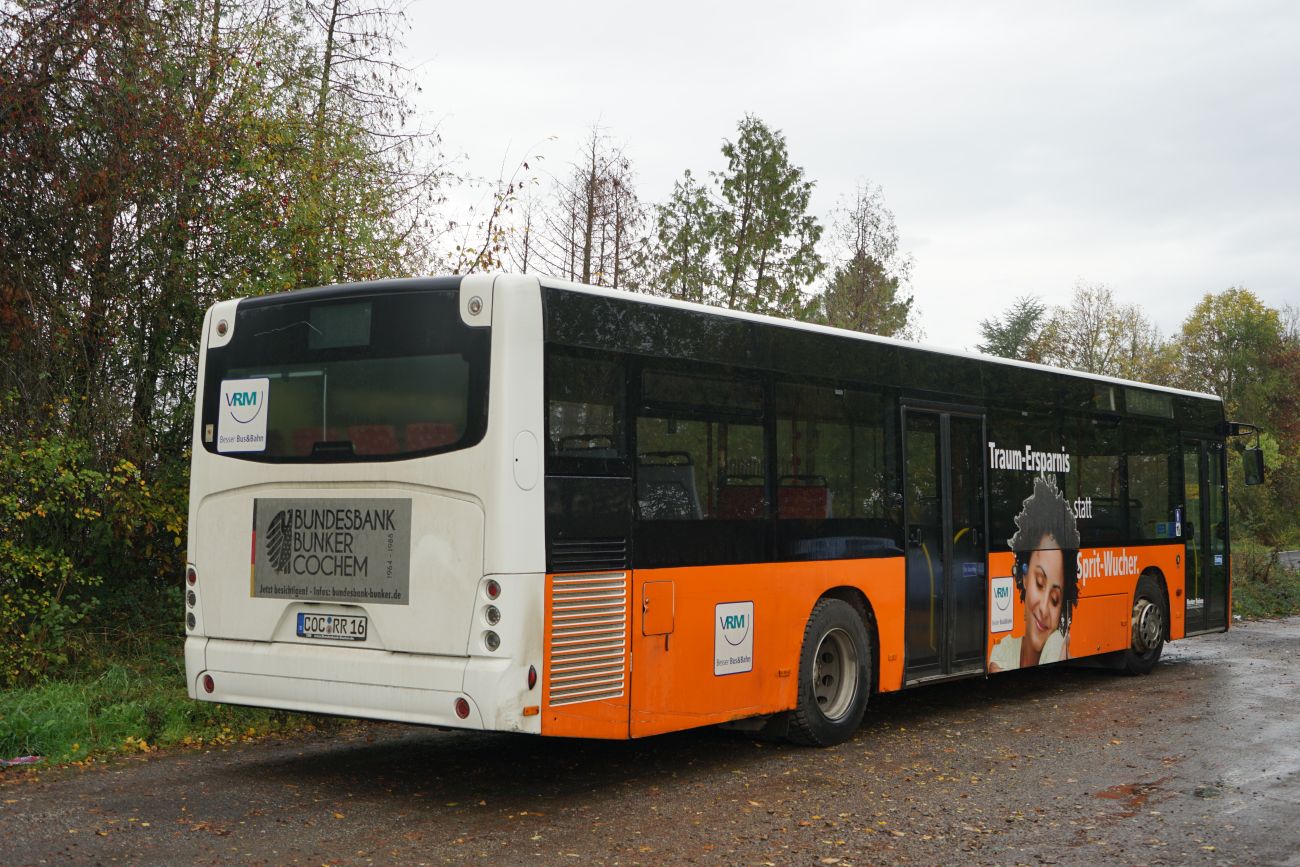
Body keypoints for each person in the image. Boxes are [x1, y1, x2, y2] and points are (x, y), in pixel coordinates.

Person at [989, 475, 1081, 672]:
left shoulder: (1058, 648)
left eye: (1055, 599)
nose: (1044, 610)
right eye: (1039, 583)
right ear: (1024, 576)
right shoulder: (1003, 651)